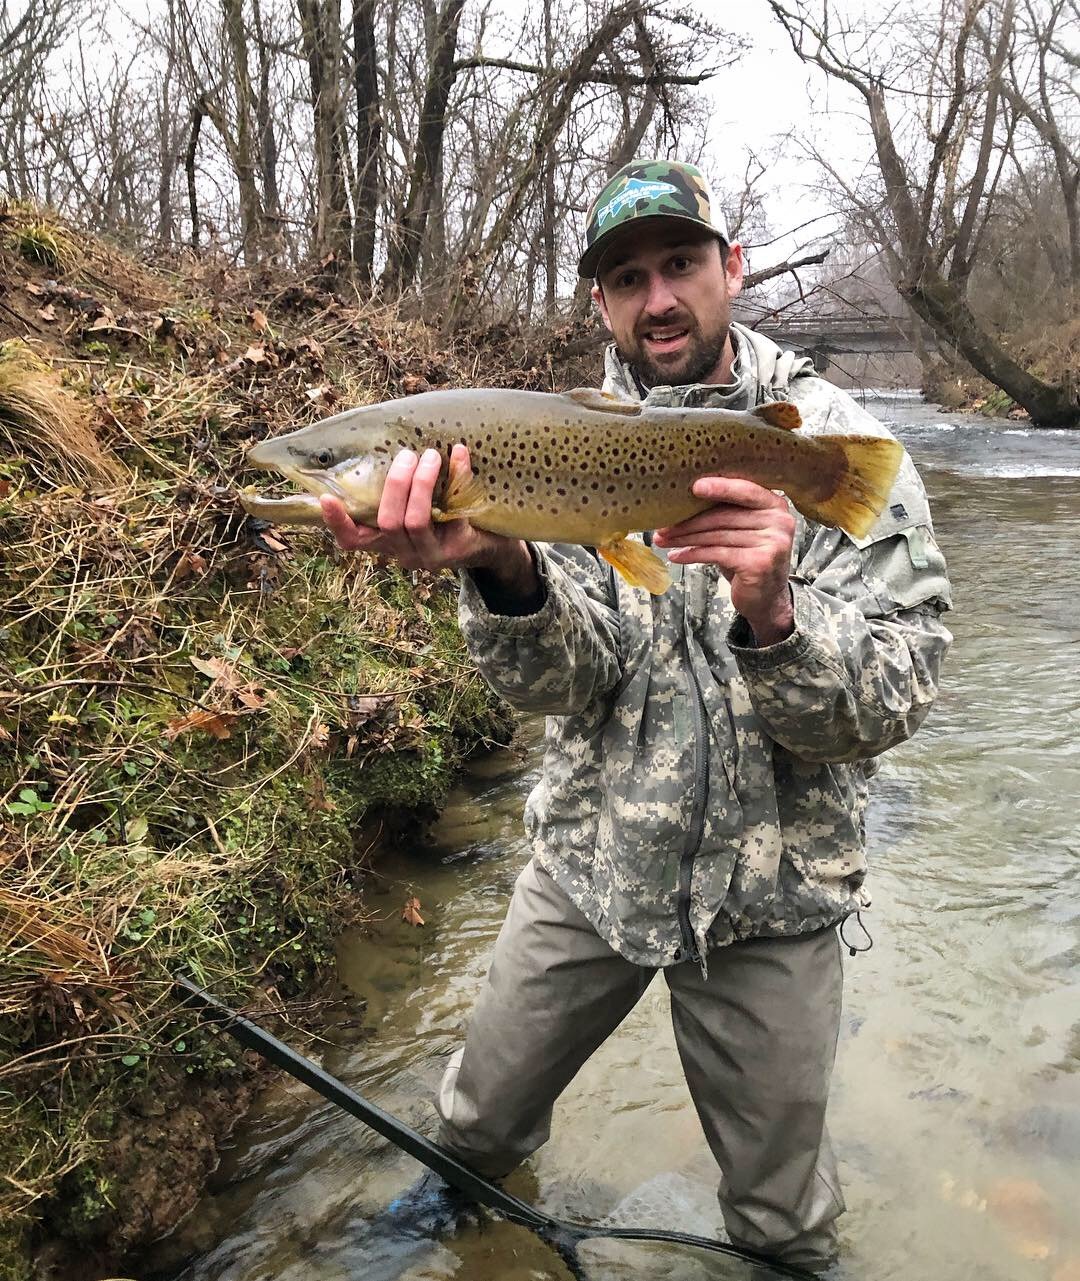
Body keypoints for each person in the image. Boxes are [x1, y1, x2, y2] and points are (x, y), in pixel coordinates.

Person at [320, 159, 953, 1273]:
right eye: (627, 278)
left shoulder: (834, 447)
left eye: (679, 264)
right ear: (601, 304)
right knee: (472, 1130)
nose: (658, 297)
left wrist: (776, 611)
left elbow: (898, 694)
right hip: (591, 863)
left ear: (731, 268)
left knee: (784, 1228)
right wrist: (507, 569)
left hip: (774, 897)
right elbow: (566, 683)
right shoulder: (552, 435)